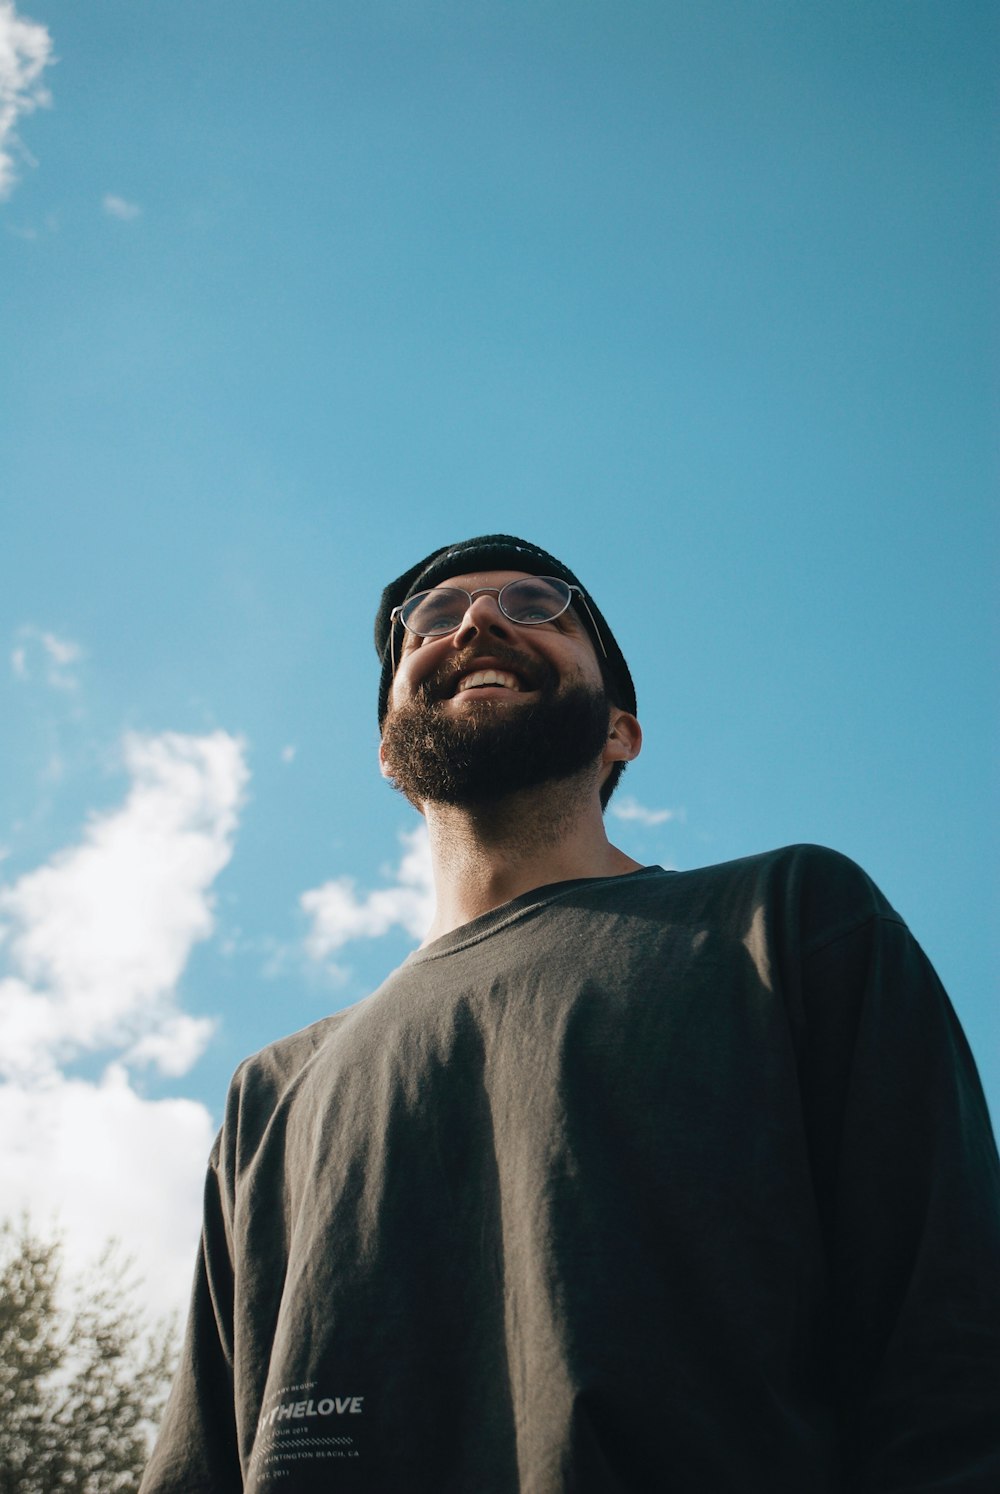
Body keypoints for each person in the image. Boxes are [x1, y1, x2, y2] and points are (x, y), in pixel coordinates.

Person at [141, 534, 1000, 1493]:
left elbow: (952, 1352)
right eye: (430, 619)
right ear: (388, 752)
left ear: (620, 732)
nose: (477, 619)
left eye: (540, 604)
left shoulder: (788, 923)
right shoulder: (272, 1092)